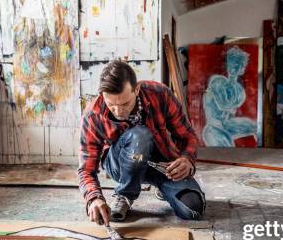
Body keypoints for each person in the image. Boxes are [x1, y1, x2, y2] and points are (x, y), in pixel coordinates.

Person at [78, 60, 205, 224]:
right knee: (140, 136)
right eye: (111, 105)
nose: (118, 111)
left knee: (193, 208)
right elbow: (86, 170)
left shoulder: (160, 93)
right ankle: (125, 193)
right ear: (103, 95)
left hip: (160, 164)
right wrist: (94, 198)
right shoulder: (92, 114)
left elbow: (187, 135)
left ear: (136, 89)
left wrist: (187, 160)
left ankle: (162, 187)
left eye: (125, 103)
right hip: (120, 165)